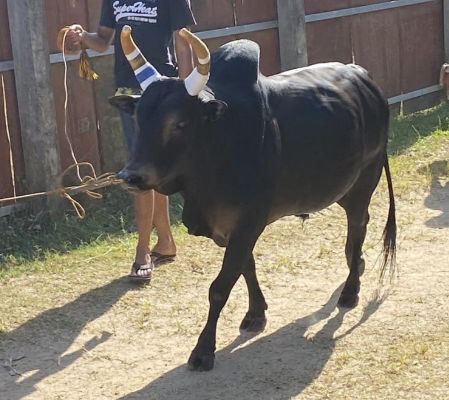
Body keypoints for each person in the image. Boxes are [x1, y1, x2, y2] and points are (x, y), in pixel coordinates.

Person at [63, 0, 196, 281]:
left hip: (160, 93)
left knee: (142, 171)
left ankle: (142, 251)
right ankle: (165, 242)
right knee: (146, 169)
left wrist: (184, 95)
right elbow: (102, 41)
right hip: (129, 94)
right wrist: (82, 36)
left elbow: (183, 45)